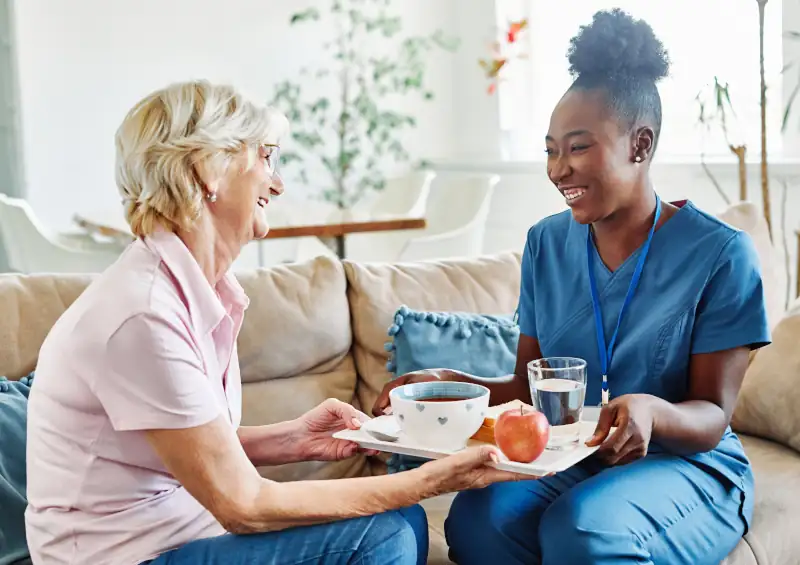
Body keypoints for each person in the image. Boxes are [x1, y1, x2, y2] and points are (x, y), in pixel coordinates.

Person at [24, 80, 534, 565]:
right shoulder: (142, 316)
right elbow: (242, 505)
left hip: (176, 539)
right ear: (209, 170)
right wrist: (435, 480)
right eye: (265, 157)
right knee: (384, 533)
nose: (278, 182)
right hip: (127, 557)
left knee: (402, 521)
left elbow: (185, 446)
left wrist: (293, 439)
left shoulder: (185, 293)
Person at [374, 9, 771, 565]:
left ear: (640, 144)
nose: (559, 168)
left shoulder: (720, 253)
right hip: (572, 454)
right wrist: (446, 383)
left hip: (686, 464)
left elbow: (711, 416)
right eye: (551, 149)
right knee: (477, 521)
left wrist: (652, 412)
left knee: (582, 530)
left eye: (578, 147)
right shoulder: (545, 243)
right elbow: (524, 387)